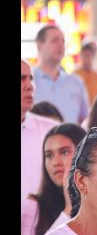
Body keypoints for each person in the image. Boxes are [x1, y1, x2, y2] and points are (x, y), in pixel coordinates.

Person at [21, 124, 86, 235]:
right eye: (49, 155)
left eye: (64, 152)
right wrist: (68, 210)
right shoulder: (32, 206)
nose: (55, 162)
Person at [32, 24, 89, 123]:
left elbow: (85, 119)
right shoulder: (28, 80)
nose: (61, 45)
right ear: (39, 44)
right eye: (55, 40)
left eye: (63, 41)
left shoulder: (76, 82)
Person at [22, 59, 59, 200]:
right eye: (21, 79)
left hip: (45, 220)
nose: (29, 86)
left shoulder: (51, 131)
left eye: (30, 79)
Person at [74, 40, 97, 105]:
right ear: (80, 55)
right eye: (85, 55)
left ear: (93, 56)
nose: (86, 59)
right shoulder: (74, 75)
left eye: (89, 56)